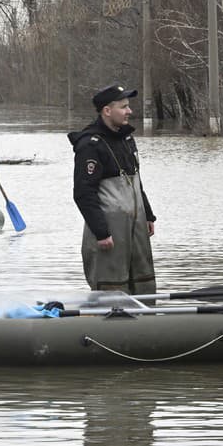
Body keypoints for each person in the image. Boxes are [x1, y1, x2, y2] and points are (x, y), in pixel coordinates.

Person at [67, 84, 157, 296]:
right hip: (109, 231)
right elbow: (83, 193)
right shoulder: (90, 144)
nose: (129, 111)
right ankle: (106, 327)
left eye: (128, 106)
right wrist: (101, 232)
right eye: (124, 107)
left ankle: (148, 325)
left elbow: (136, 181)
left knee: (144, 284)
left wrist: (148, 215)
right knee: (112, 288)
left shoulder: (126, 138)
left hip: (135, 226)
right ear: (107, 111)